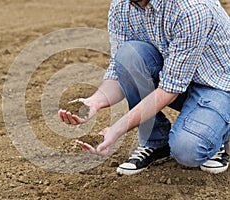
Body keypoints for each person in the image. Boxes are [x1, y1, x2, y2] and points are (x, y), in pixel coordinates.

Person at [58, 0, 230, 175]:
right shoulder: (121, 6)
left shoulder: (190, 9)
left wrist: (116, 130)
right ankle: (155, 142)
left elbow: (170, 89)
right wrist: (94, 102)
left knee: (188, 150)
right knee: (128, 56)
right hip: (176, 78)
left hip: (217, 86)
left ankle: (219, 133)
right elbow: (119, 72)